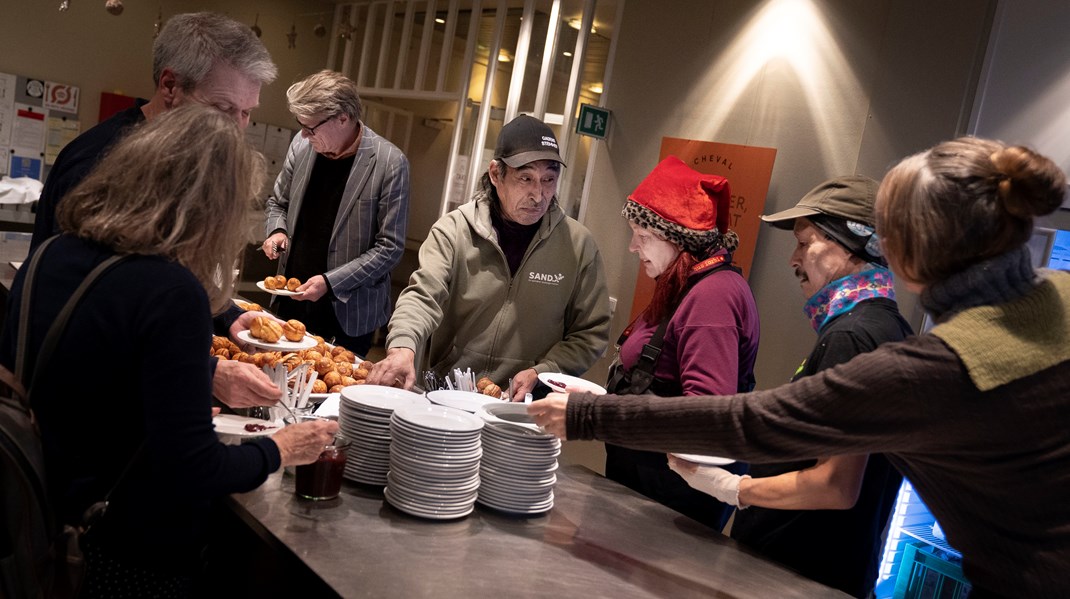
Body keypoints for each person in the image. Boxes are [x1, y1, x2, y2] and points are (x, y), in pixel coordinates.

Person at [530, 136, 1070, 598]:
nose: (794, 259)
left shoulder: (925, 366)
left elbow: (750, 422)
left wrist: (588, 416)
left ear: (902, 252)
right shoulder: (1058, 298)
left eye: (806, 242)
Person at [0, 104, 339, 597]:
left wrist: (199, 374)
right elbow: (192, 468)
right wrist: (281, 449)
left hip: (33, 509)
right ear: (211, 206)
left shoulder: (52, 255)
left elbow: (95, 363)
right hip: (121, 543)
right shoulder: (170, 290)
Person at [667, 175, 912, 596]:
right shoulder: (884, 327)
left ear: (856, 245)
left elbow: (836, 485)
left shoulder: (854, 337)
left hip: (800, 572)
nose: (793, 258)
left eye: (806, 242)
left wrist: (733, 489)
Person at [28, 11, 280, 409]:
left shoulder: (189, 162)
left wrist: (226, 313)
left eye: (246, 112)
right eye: (223, 108)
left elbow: (162, 268)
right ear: (170, 85)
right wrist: (205, 371)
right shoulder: (102, 162)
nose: (236, 129)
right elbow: (84, 313)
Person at [367, 115, 611, 400]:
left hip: (525, 406)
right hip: (448, 395)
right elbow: (422, 296)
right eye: (525, 178)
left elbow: (590, 333)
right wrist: (402, 347)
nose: (538, 194)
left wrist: (545, 370)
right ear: (496, 174)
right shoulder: (454, 230)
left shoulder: (578, 245)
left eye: (549, 179)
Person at [604, 155, 759, 531]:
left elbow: (703, 417)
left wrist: (598, 415)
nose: (632, 248)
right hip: (649, 484)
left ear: (680, 241)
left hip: (669, 498)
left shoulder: (714, 298)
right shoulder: (688, 284)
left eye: (642, 237)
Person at [262, 70, 410, 356]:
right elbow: (277, 203)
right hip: (291, 301)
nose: (304, 134)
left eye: (311, 127)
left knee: (329, 395)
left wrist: (330, 283)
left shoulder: (390, 162)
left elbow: (390, 248)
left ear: (343, 118)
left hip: (347, 315)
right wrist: (276, 230)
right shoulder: (301, 145)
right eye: (300, 125)